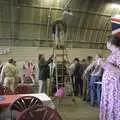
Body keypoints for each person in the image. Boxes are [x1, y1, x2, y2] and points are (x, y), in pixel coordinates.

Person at [99, 35, 120, 120]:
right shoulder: (113, 54)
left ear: (110, 43)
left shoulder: (119, 53)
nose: (106, 44)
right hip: (108, 87)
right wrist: (103, 63)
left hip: (114, 88)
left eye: (107, 42)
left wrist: (105, 64)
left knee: (113, 105)